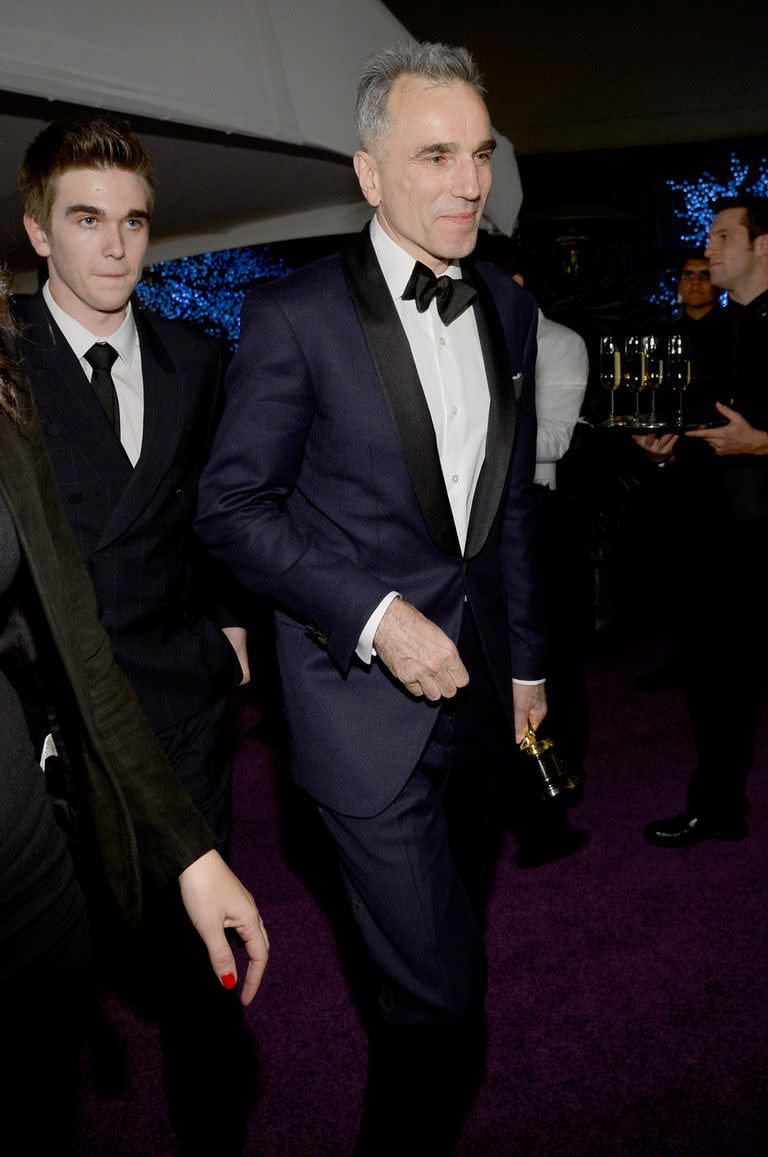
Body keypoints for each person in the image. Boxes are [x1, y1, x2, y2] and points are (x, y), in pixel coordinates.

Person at [197, 41, 546, 1154]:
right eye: (436, 154)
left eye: (480, 153)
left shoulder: (506, 302)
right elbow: (233, 508)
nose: (470, 181)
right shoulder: (293, 315)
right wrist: (375, 615)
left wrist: (528, 663)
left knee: (443, 964)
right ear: (369, 173)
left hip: (484, 689)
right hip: (355, 708)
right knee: (442, 992)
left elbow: (514, 510)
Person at [15, 115, 253, 1151]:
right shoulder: (4, 358)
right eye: (86, 219)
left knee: (206, 956)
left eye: (133, 221)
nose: (115, 246)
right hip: (51, 721)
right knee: (53, 975)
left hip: (182, 703)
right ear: (38, 232)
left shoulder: (198, 357)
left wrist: (235, 621)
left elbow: (222, 509)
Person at [636, 193, 768, 846]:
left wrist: (763, 443)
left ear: (761, 245)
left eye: (721, 237)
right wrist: (662, 453)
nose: (707, 250)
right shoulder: (702, 338)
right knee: (714, 686)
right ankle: (718, 806)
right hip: (713, 547)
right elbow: (688, 441)